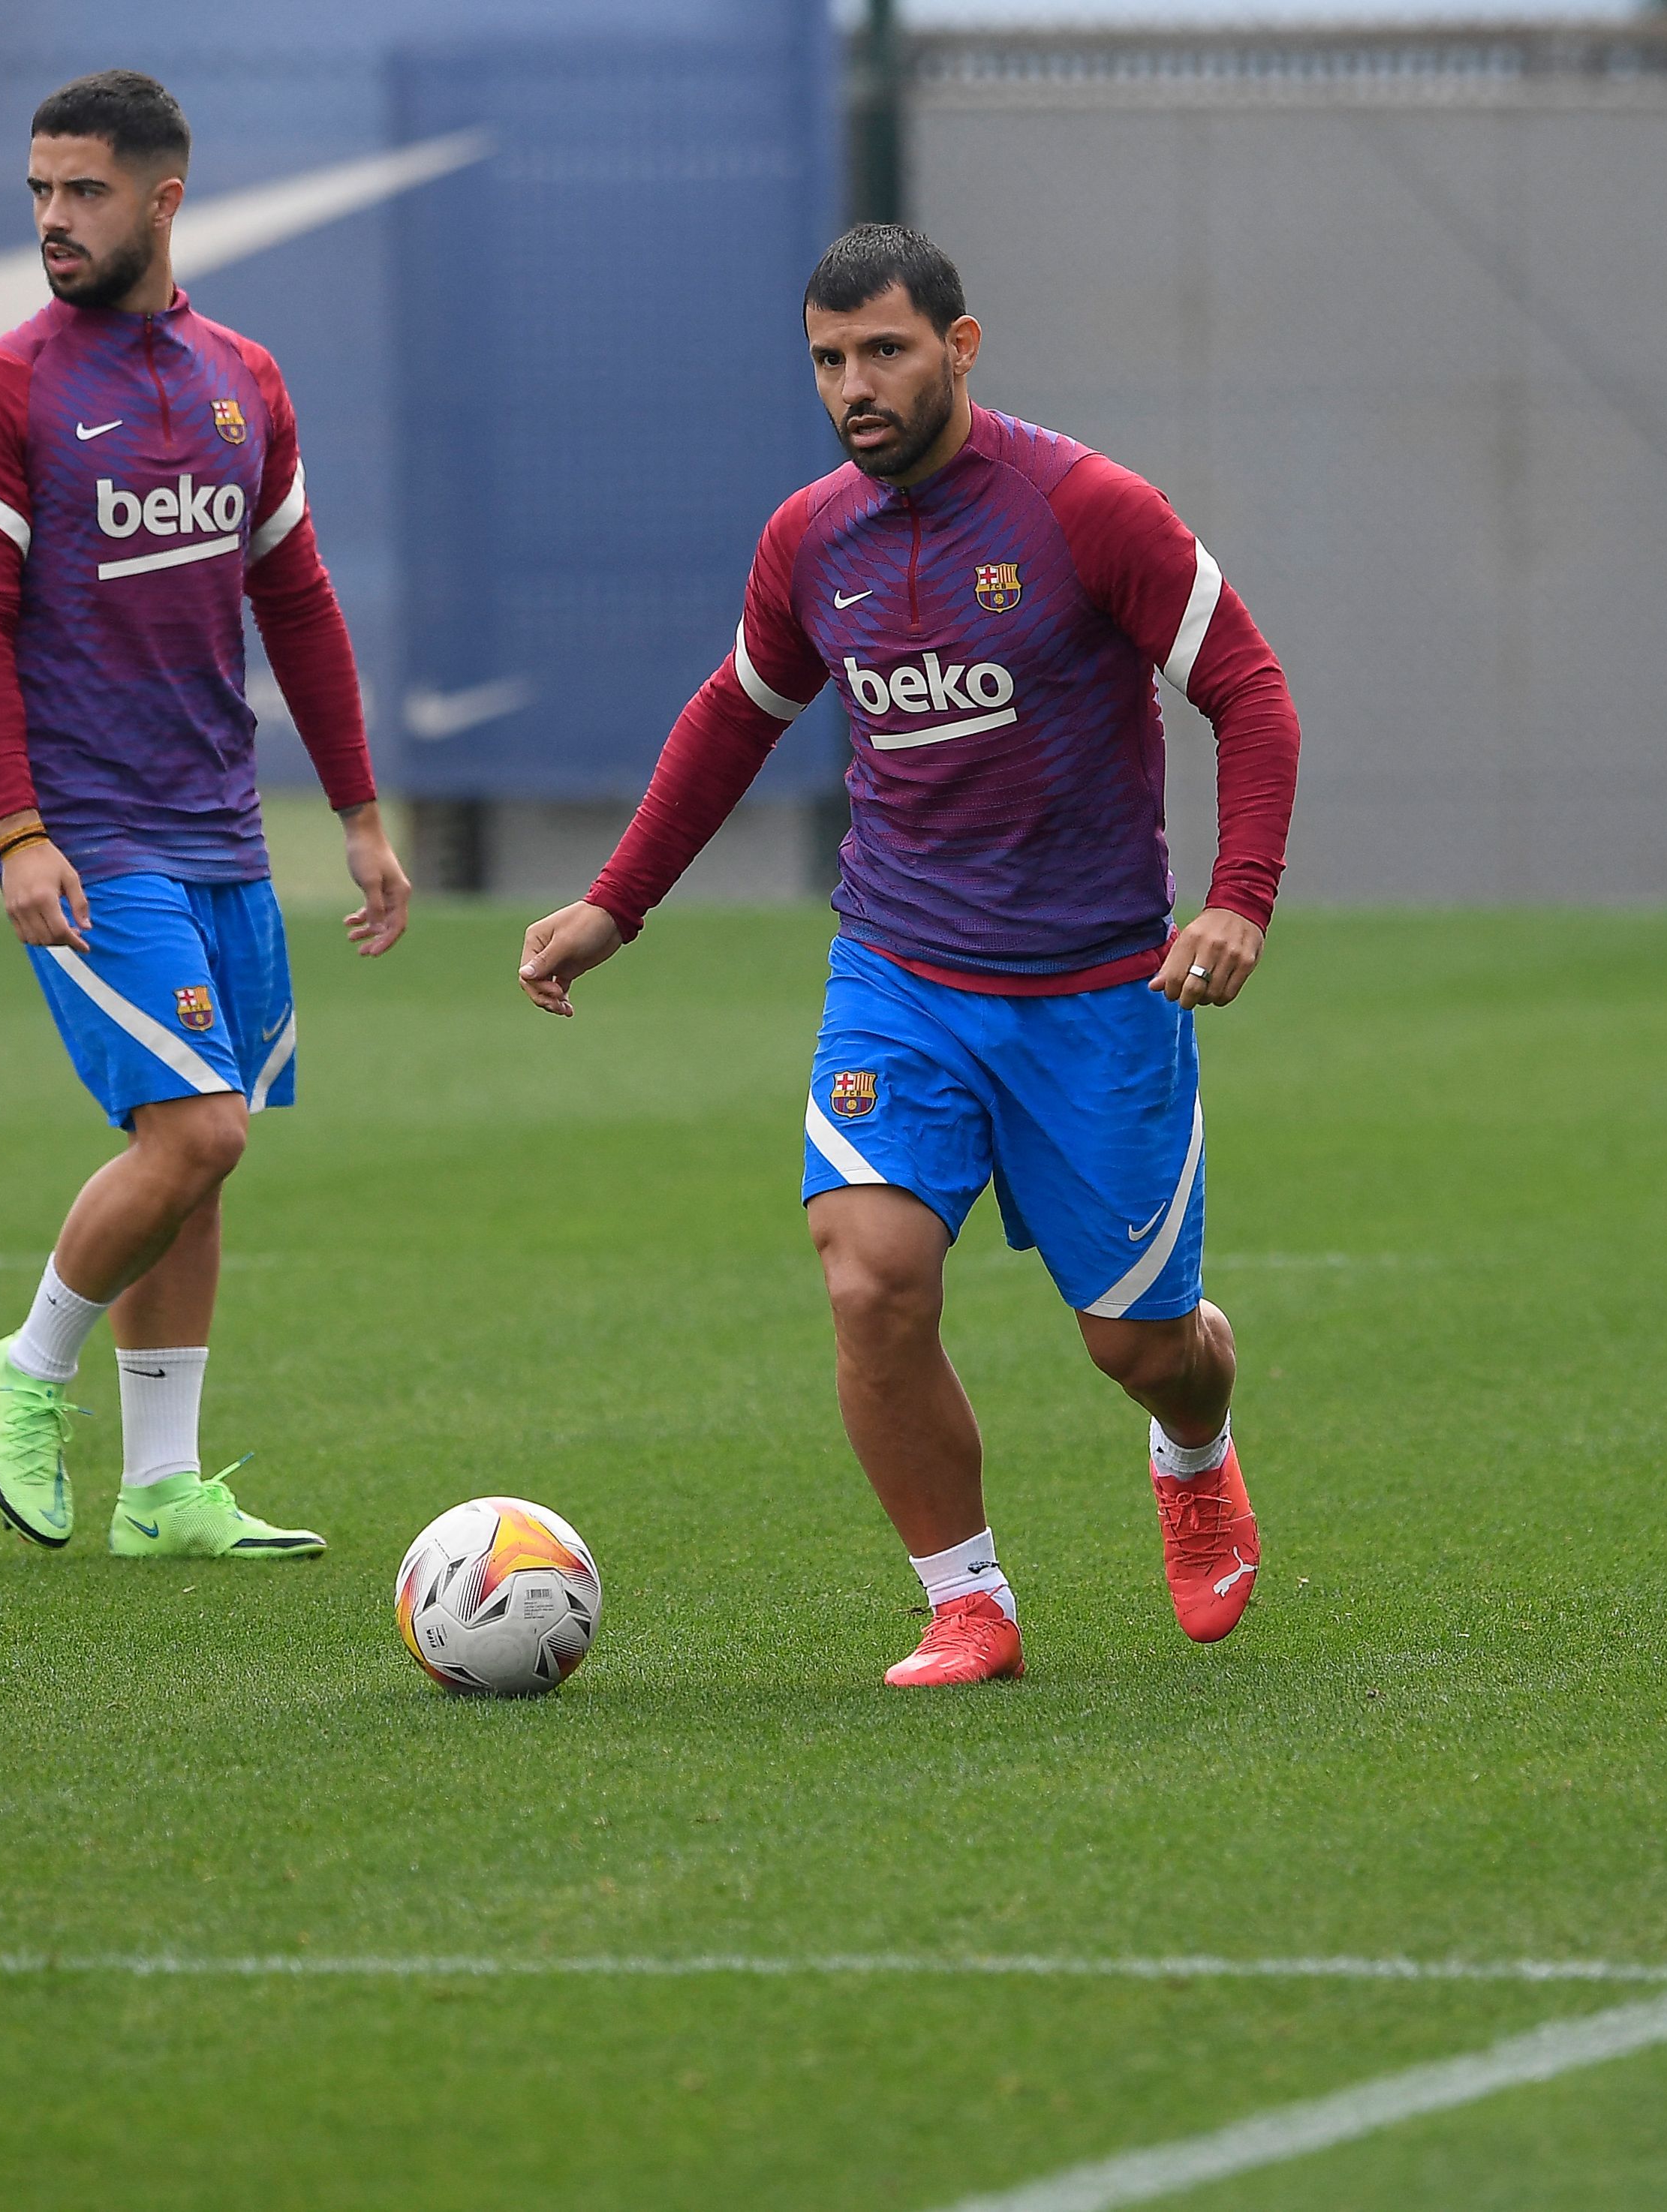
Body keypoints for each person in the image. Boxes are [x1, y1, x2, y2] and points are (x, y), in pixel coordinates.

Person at [517, 225, 1302, 1688]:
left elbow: (1248, 691)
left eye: (883, 350)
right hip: (901, 975)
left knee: (1137, 1346)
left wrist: (1236, 897)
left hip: (1097, 993)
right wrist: (615, 904)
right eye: (828, 359)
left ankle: (1193, 1444)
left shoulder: (1084, 509)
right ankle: (966, 1600)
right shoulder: (812, 538)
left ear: (961, 345)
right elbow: (737, 712)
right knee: (869, 1276)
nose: (854, 384)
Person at [0, 70, 407, 1561]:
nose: (55, 221)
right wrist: (15, 832)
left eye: (82, 192)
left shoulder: (241, 378)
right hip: (89, 834)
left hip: (220, 831)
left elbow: (301, 601)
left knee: (193, 1145)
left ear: (162, 197)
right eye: (38, 194)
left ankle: (159, 1490)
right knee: (195, 1132)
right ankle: (32, 1363)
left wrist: (361, 816)